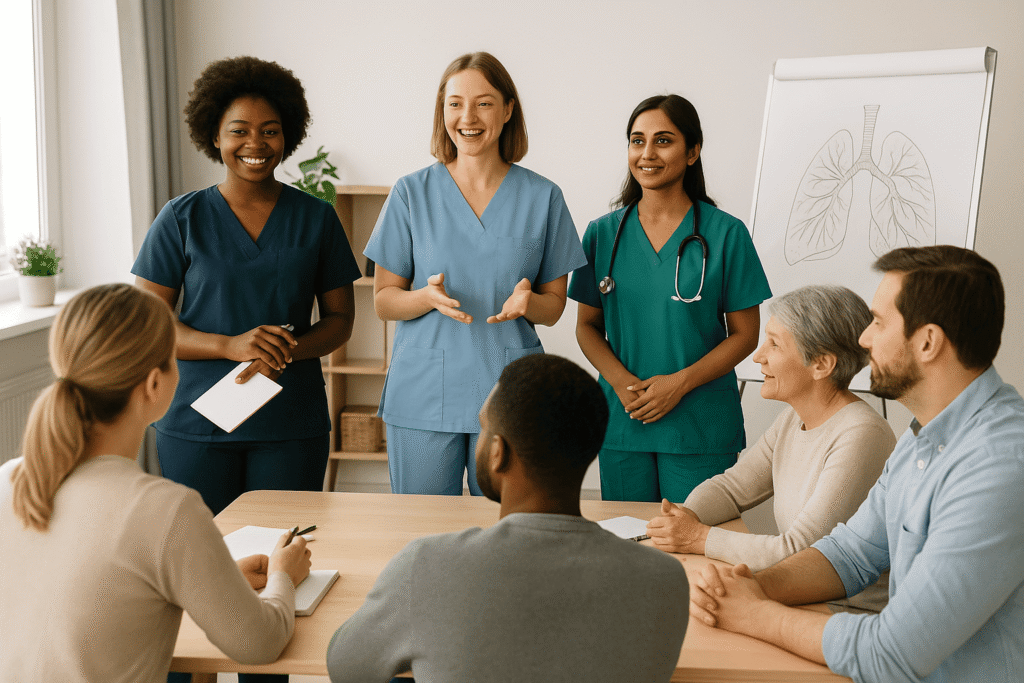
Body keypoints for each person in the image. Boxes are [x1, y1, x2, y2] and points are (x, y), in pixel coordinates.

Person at [690, 246, 1024, 682]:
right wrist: (757, 586)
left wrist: (757, 614)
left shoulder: (998, 468)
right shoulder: (921, 437)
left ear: (928, 342)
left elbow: (889, 654)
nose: (864, 339)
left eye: (879, 323)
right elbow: (850, 553)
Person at [0, 284, 312, 683]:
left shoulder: (11, 478)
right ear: (153, 385)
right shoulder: (167, 510)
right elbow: (260, 643)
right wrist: (284, 573)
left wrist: (212, 576)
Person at [325, 354, 688, 682]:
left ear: (498, 453)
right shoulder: (666, 580)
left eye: (484, 428)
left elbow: (347, 668)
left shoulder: (427, 565)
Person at [133, 56, 361, 517]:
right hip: (196, 424)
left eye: (270, 130)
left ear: (287, 136)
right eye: (238, 130)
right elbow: (148, 325)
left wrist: (284, 350)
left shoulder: (317, 218)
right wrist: (229, 345)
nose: (255, 143)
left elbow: (340, 321)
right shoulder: (180, 219)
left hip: (291, 425)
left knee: (284, 552)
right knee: (201, 558)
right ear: (214, 136)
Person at [364, 51, 586, 496]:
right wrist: (424, 298)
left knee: (503, 538)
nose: (468, 116)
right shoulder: (411, 193)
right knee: (422, 535)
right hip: (423, 393)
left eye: (484, 103)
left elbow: (554, 307)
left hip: (507, 394)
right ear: (442, 111)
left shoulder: (543, 197)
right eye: (455, 103)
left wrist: (529, 303)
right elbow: (384, 300)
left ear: (507, 110)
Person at [569, 94, 772, 502]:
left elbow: (746, 336)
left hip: (698, 426)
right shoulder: (602, 235)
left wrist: (678, 384)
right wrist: (624, 383)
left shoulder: (726, 235)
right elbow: (587, 327)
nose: (647, 153)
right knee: (629, 549)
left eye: (663, 140)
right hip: (626, 421)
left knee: (696, 550)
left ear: (692, 151)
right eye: (637, 140)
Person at [647, 285, 895, 612]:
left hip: (848, 613)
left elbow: (801, 554)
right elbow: (732, 488)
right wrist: (686, 517)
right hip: (800, 599)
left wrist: (697, 537)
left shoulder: (862, 436)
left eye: (774, 344)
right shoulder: (792, 418)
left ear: (822, 364)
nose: (758, 355)